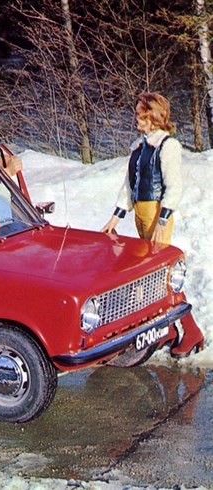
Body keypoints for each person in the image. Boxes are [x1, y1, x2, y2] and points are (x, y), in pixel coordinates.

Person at [101, 92, 204, 358]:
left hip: (157, 214)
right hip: (141, 214)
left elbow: (174, 186)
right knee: (150, 276)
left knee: (164, 276)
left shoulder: (167, 146)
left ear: (152, 116)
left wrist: (163, 219)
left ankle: (191, 332)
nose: (136, 117)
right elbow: (129, 185)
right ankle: (166, 330)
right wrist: (116, 217)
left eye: (140, 113)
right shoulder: (139, 146)